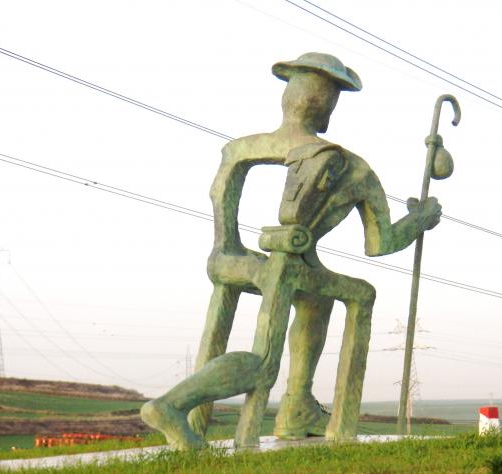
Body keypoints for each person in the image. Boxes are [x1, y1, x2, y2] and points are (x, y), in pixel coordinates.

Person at [141, 52, 442, 449]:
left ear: (288, 99)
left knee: (317, 299)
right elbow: (380, 243)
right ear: (328, 106)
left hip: (226, 259)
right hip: (284, 266)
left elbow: (221, 195)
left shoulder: (241, 148)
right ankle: (172, 405)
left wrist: (233, 249)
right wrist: (421, 220)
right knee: (345, 305)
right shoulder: (348, 166)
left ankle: (298, 406)